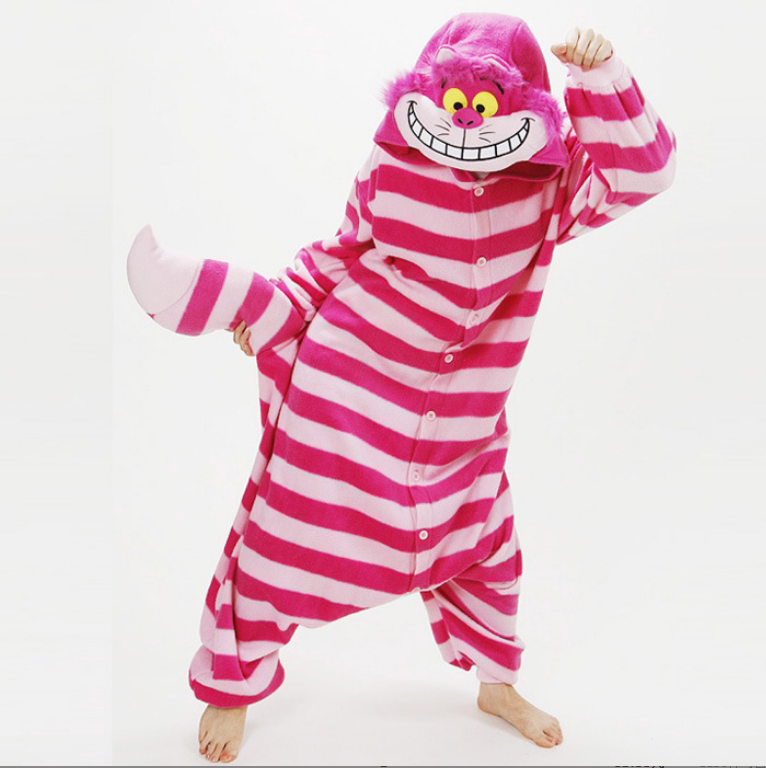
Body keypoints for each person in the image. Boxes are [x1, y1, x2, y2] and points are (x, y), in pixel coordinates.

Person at [127, 14, 675, 763]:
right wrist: (283, 309)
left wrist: (601, 76)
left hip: (464, 418)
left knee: (487, 546)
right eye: (455, 100)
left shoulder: (551, 183)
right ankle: (232, 684)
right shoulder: (393, 163)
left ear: (522, 106)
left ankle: (496, 684)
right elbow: (341, 252)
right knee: (290, 538)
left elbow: (643, 174)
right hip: (352, 387)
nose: (466, 120)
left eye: (486, 104)